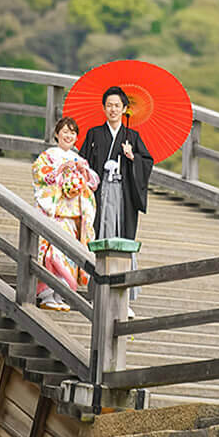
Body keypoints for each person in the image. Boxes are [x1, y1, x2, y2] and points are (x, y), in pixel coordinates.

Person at [78, 85, 154, 317]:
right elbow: (82, 162)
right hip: (99, 193)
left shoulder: (132, 136)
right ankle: (96, 293)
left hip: (122, 194)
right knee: (98, 235)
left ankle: (123, 298)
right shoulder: (94, 133)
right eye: (109, 105)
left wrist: (132, 158)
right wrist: (96, 172)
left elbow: (147, 162)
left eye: (117, 106)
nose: (112, 109)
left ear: (124, 109)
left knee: (121, 238)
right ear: (104, 108)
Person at [32, 116, 100, 312]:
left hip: (73, 218)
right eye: (65, 131)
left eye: (73, 132)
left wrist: (84, 173)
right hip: (56, 214)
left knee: (68, 255)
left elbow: (93, 184)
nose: (69, 135)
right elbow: (40, 176)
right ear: (56, 134)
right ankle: (46, 294)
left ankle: (60, 294)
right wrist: (61, 170)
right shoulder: (48, 156)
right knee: (53, 253)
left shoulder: (79, 159)